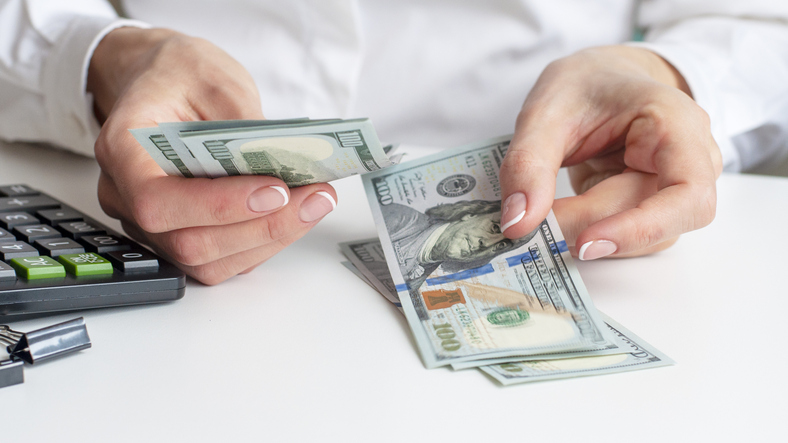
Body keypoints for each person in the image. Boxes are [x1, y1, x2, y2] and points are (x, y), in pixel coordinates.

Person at [1, 1, 787, 284]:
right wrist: (100, 57)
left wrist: (666, 78)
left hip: (561, 214)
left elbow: (760, 22)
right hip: (100, 193)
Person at [381, 200, 537, 290]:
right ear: (471, 215)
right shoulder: (402, 219)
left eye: (502, 245)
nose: (487, 243)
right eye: (494, 227)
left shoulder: (423, 281)